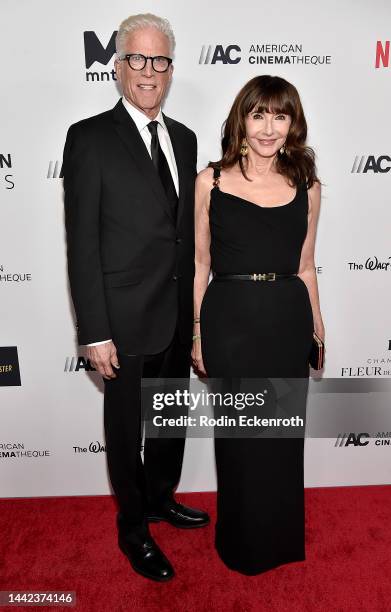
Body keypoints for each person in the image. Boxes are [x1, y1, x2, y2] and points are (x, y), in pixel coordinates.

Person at [62, 13, 209, 582]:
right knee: (126, 433)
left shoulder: (186, 138)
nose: (150, 72)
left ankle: (159, 498)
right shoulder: (89, 137)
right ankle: (133, 530)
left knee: (169, 420)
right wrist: (93, 330)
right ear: (118, 65)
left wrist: (195, 319)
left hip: (174, 314)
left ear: (172, 69)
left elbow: (186, 236)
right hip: (120, 321)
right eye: (139, 59)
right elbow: (82, 244)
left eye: (161, 61)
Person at [192, 75, 324, 574]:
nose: (269, 128)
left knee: (282, 436)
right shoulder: (213, 180)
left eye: (280, 115)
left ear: (292, 124)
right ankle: (242, 545)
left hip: (287, 320)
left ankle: (280, 541)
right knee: (241, 440)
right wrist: (197, 333)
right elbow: (201, 264)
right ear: (241, 120)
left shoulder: (307, 185)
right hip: (230, 320)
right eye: (259, 114)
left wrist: (318, 325)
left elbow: (307, 266)